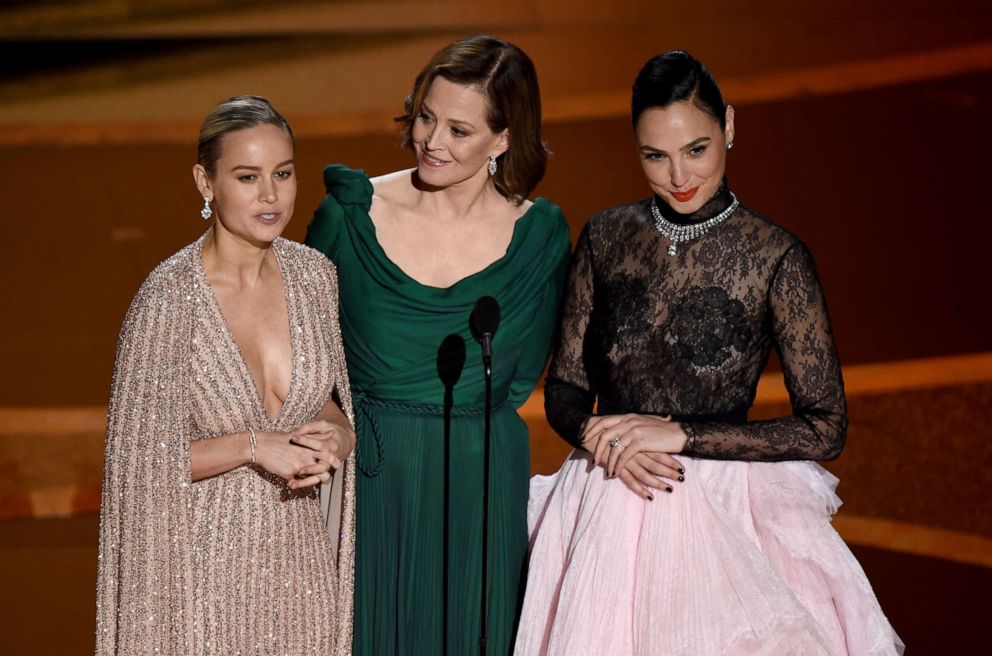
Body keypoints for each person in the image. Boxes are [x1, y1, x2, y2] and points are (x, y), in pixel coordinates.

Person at [514, 51, 904, 655]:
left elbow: (825, 428)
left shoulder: (776, 258)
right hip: (604, 505)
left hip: (725, 514)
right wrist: (597, 434)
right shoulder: (606, 236)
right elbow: (564, 387)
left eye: (696, 148)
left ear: (728, 125)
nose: (679, 176)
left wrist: (681, 436)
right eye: (655, 156)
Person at [305, 35, 571, 655]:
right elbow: (300, 364)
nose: (432, 141)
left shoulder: (541, 239)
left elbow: (521, 375)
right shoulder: (348, 217)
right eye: (426, 116)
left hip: (482, 489)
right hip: (369, 484)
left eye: (459, 130)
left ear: (504, 139)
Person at [95, 96, 356, 655]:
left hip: (301, 570)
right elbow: (134, 464)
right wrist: (253, 446)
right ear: (205, 182)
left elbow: (328, 399)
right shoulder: (168, 300)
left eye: (283, 174)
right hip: (201, 578)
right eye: (247, 176)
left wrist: (339, 435)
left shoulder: (315, 277)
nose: (271, 195)